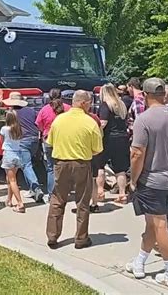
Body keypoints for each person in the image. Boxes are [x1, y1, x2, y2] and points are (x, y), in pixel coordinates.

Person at [126, 78, 168, 290]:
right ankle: (140, 262)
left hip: (152, 178)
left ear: (144, 94)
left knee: (160, 224)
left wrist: (133, 179)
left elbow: (137, 153)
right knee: (152, 223)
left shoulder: (144, 119)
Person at [46, 90, 103, 250]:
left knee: (57, 200)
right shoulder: (90, 122)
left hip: (60, 163)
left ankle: (52, 236)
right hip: (81, 164)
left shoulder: (59, 120)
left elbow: (50, 142)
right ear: (83, 103)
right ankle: (81, 238)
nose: (90, 106)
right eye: (90, 103)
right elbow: (97, 149)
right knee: (83, 202)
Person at [3, 92, 45, 203]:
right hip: (35, 140)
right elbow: (38, 123)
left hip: (23, 141)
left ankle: (36, 188)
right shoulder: (32, 111)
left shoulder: (12, 114)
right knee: (26, 164)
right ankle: (32, 189)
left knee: (26, 165)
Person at [36, 88, 71, 203]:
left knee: (51, 168)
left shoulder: (44, 110)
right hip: (64, 141)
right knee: (64, 167)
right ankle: (63, 193)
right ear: (61, 96)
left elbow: (39, 125)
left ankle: (52, 195)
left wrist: (45, 131)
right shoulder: (68, 109)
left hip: (49, 141)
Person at [97, 84, 130, 204]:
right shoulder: (121, 105)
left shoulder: (105, 105)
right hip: (122, 138)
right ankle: (122, 194)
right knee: (120, 168)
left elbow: (103, 123)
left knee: (100, 166)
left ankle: (100, 192)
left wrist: (96, 133)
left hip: (108, 138)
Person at [0, 110, 26, 213]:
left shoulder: (4, 129)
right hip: (18, 154)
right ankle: (9, 199)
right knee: (10, 178)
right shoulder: (19, 129)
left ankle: (20, 203)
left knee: (12, 180)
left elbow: (2, 140)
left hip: (9, 154)